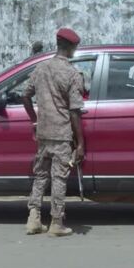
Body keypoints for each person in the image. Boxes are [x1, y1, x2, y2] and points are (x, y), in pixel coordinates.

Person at [21, 28, 85, 237]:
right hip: (61, 134)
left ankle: (33, 218)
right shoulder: (72, 74)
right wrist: (81, 143)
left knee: (40, 175)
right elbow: (75, 111)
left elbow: (25, 96)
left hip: (43, 133)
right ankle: (56, 222)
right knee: (58, 178)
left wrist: (35, 121)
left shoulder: (40, 68)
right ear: (72, 48)